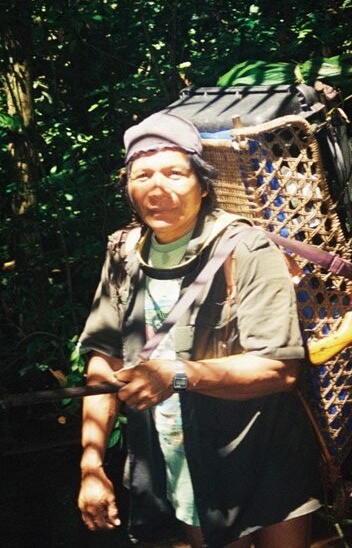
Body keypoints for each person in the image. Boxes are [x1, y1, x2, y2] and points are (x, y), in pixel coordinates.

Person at [77, 112, 322, 548]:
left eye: (175, 173)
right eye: (143, 175)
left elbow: (279, 370)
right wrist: (91, 465)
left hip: (265, 455)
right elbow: (104, 360)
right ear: (128, 186)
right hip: (183, 465)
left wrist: (177, 375)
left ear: (203, 184)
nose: (158, 188)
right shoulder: (124, 253)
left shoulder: (246, 249)